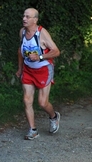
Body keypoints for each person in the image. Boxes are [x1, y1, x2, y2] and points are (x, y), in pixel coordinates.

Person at [16, 8, 61, 140]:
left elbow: (56, 51)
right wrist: (20, 68)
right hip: (28, 70)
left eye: (28, 17)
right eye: (24, 16)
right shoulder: (22, 32)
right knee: (27, 100)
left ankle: (53, 116)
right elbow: (20, 51)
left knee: (42, 102)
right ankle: (33, 130)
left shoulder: (42, 33)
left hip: (44, 70)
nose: (24, 19)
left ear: (35, 20)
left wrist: (40, 57)